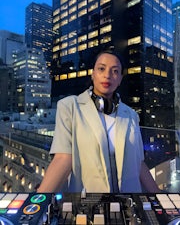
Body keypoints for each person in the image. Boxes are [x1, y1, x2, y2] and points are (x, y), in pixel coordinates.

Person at [37, 49, 160, 193]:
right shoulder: (69, 106)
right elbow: (63, 159)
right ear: (93, 73)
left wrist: (159, 196)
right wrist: (38, 202)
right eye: (101, 69)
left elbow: (138, 163)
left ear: (120, 79)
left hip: (129, 202)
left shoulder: (131, 115)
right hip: (89, 203)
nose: (107, 75)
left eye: (115, 71)